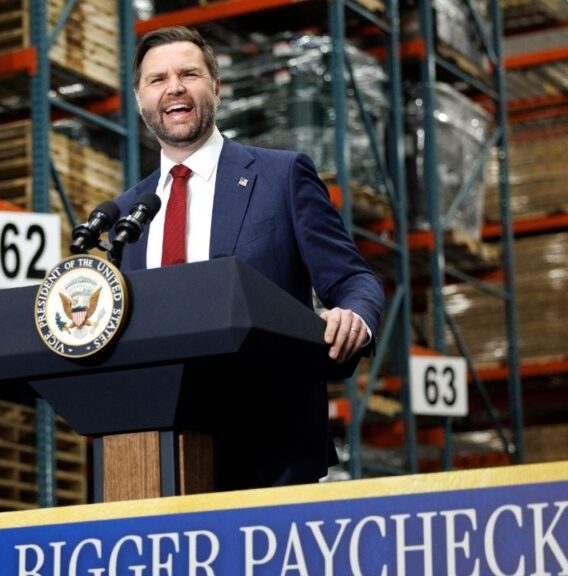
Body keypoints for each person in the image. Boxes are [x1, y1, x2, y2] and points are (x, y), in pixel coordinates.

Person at [112, 26, 385, 489]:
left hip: (271, 450)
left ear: (216, 87)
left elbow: (353, 279)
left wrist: (354, 317)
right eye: (157, 79)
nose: (174, 87)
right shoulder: (126, 215)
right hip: (156, 454)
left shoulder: (281, 177)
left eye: (189, 74)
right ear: (140, 100)